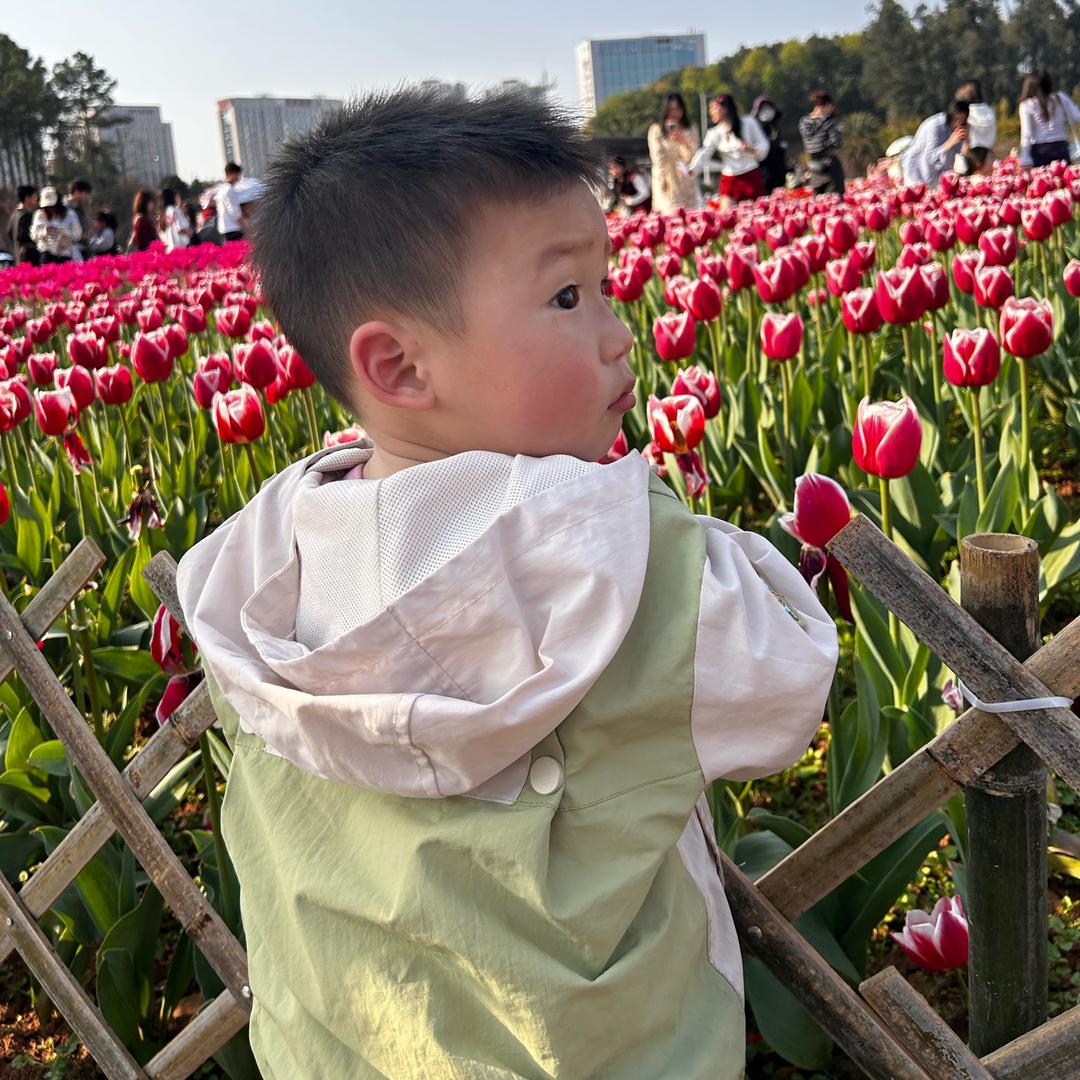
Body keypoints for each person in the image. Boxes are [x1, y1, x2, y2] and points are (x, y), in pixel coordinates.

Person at [173, 86, 838, 1080]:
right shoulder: (627, 563)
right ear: (398, 366)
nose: (620, 331)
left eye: (605, 287)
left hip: (335, 1047)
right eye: (569, 297)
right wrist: (659, 519)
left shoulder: (259, 559)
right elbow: (785, 683)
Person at [689, 93, 770, 209]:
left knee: (755, 213)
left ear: (725, 109)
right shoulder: (714, 133)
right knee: (726, 215)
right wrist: (692, 169)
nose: (711, 112)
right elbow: (704, 152)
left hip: (750, 174)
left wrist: (753, 149)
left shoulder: (748, 122)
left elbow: (764, 144)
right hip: (730, 179)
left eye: (714, 108)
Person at [647, 93, 701, 213]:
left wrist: (682, 141)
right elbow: (657, 156)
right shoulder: (656, 130)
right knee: (669, 214)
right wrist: (662, 177)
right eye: (670, 109)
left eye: (677, 109)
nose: (674, 113)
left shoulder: (691, 129)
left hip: (685, 179)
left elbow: (693, 157)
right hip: (666, 178)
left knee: (689, 215)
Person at [900, 100, 969, 188]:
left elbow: (959, 157)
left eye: (962, 121)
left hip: (936, 175)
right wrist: (950, 143)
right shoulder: (935, 126)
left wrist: (967, 142)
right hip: (916, 170)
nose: (959, 123)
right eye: (956, 119)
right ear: (950, 116)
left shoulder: (960, 129)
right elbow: (931, 156)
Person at [1019, 70, 1080, 167]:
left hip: (1039, 151)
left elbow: (1027, 133)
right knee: (1062, 181)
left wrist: (1025, 157)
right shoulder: (1060, 98)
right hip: (1061, 148)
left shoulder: (1027, 105)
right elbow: (1076, 116)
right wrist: (1063, 121)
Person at [799, 90, 845, 194]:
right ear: (827, 105)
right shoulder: (831, 122)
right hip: (830, 167)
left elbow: (808, 142)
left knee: (820, 205)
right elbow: (836, 143)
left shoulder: (804, 121)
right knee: (834, 203)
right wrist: (839, 131)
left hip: (814, 167)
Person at [30, 186, 82, 263]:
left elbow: (77, 234)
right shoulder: (39, 215)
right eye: (47, 206)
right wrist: (44, 232)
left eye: (52, 206)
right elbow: (34, 235)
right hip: (46, 253)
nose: (50, 208)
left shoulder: (70, 214)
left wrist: (65, 234)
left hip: (65, 253)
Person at [752, 95, 787, 191]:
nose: (766, 111)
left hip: (778, 174)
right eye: (763, 108)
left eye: (769, 108)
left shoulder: (775, 127)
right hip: (763, 174)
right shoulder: (755, 129)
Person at [7, 185, 40, 266]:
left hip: (18, 256)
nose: (36, 200)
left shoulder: (14, 214)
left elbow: (9, 232)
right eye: (34, 197)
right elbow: (25, 236)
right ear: (27, 198)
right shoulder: (26, 216)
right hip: (29, 258)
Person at [214, 161, 245, 241]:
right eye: (237, 174)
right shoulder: (229, 189)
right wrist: (244, 225)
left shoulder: (221, 189)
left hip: (224, 228)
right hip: (233, 229)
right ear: (230, 174)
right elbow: (234, 211)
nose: (239, 177)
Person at [64, 179, 93, 257]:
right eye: (85, 193)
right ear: (77, 191)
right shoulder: (68, 207)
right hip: (74, 246)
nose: (86, 196)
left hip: (85, 243)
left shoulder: (82, 204)